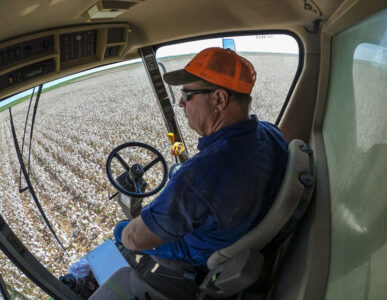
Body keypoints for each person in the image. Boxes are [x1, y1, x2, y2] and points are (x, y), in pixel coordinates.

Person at [113, 47, 288, 267]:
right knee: (176, 171)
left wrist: (148, 215)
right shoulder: (270, 133)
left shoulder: (200, 175)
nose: (180, 103)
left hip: (201, 250)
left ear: (219, 99)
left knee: (122, 231)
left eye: (187, 95)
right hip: (240, 224)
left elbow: (135, 238)